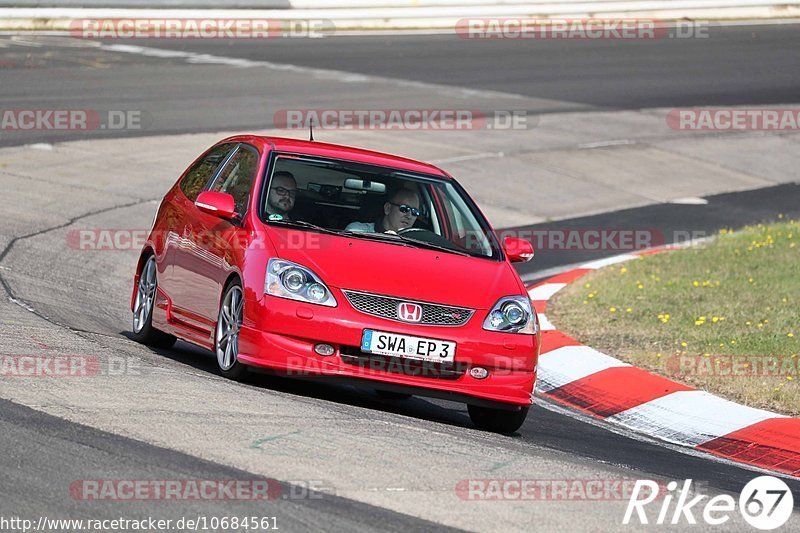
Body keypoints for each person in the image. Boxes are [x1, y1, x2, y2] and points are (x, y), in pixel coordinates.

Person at [346, 188, 421, 233]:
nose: (409, 216)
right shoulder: (358, 230)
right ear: (388, 208)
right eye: (404, 209)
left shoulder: (418, 243)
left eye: (415, 212)